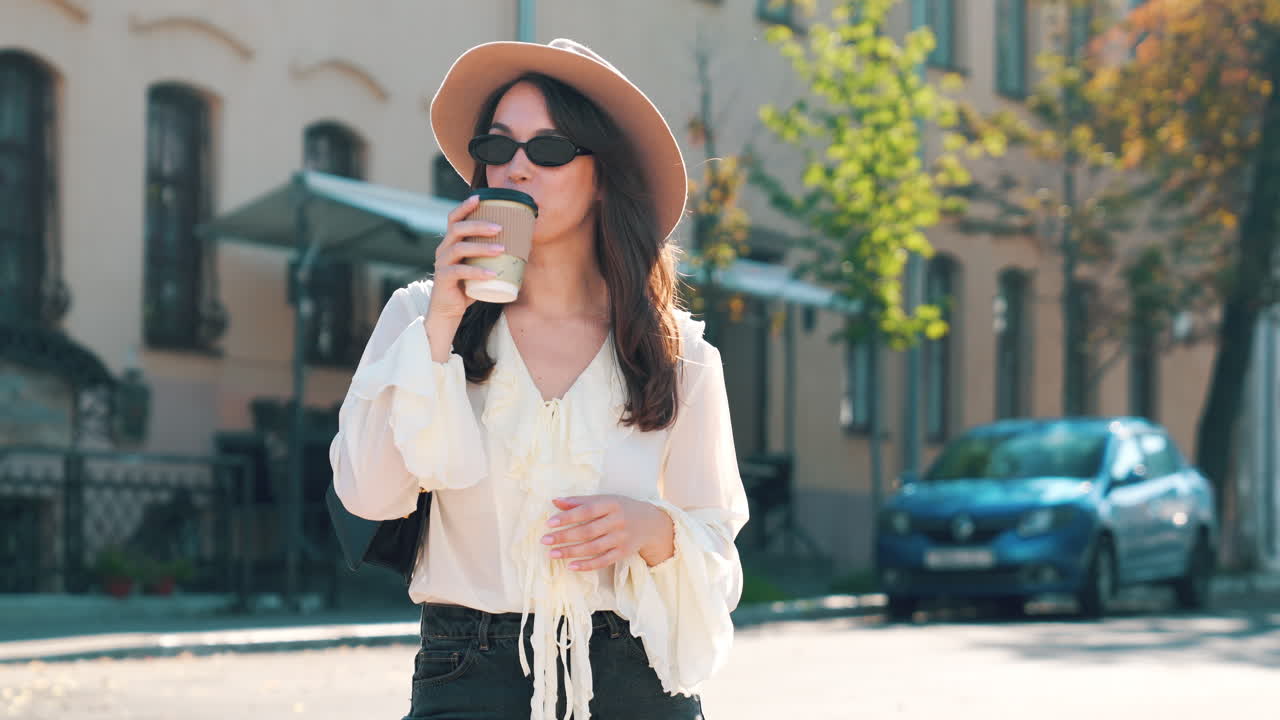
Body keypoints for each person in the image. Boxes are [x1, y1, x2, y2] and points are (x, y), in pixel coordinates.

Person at [330, 38, 749, 720]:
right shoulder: (418, 317)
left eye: (549, 150)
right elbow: (368, 496)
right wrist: (440, 321)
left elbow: (718, 563)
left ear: (603, 176)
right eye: (497, 148)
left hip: (632, 676)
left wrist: (651, 528)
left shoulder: (679, 353)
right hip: (469, 671)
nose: (516, 168)